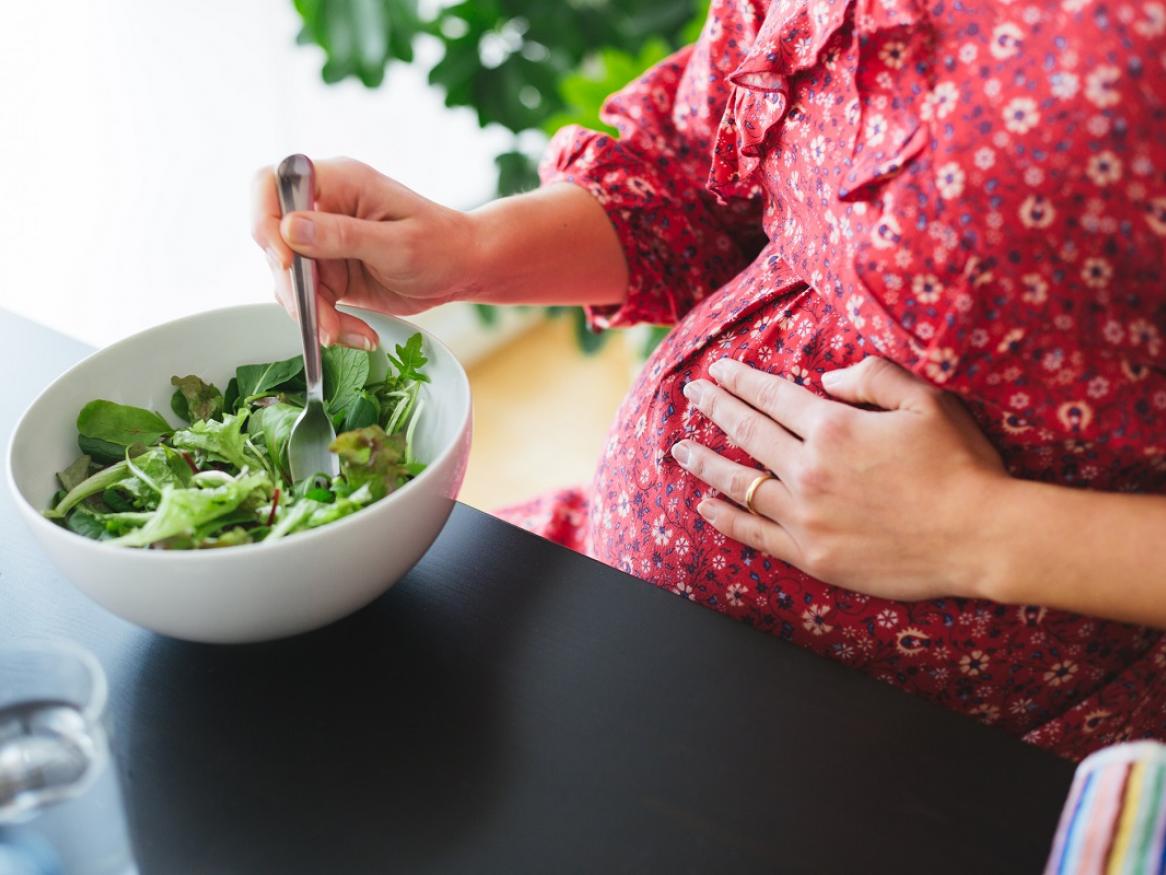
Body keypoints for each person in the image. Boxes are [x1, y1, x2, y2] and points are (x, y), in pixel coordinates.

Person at [253, 0, 1166, 759]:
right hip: (627, 617)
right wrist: (468, 253)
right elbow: (714, 174)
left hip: (938, 760)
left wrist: (976, 532)